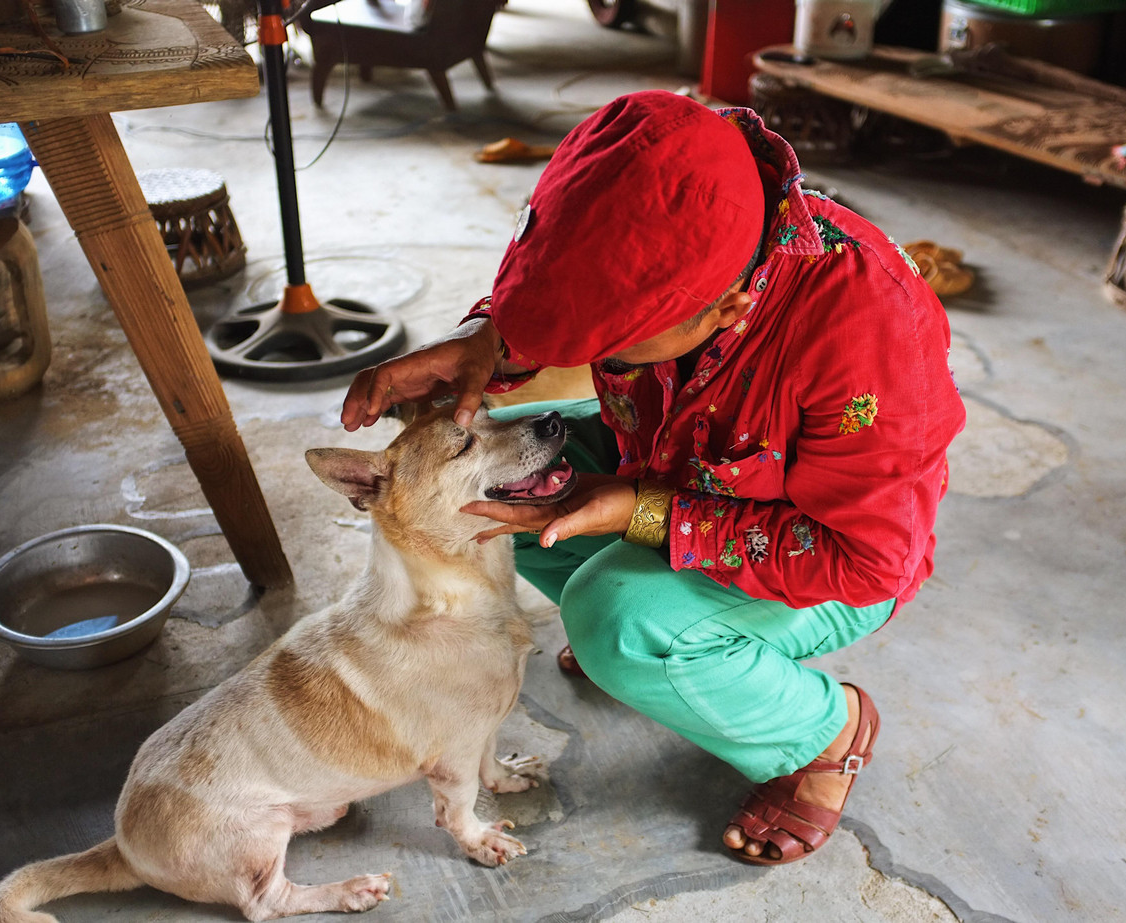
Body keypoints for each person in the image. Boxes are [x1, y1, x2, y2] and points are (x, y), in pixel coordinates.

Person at [340, 90, 965, 865]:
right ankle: (664, 643)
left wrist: (645, 512)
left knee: (614, 619)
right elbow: (569, 284)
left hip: (833, 558)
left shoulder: (867, 331)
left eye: (617, 347)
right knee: (494, 486)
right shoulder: (669, 179)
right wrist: (483, 342)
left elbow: (867, 559)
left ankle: (821, 730)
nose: (597, 355)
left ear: (727, 307)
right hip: (678, 460)